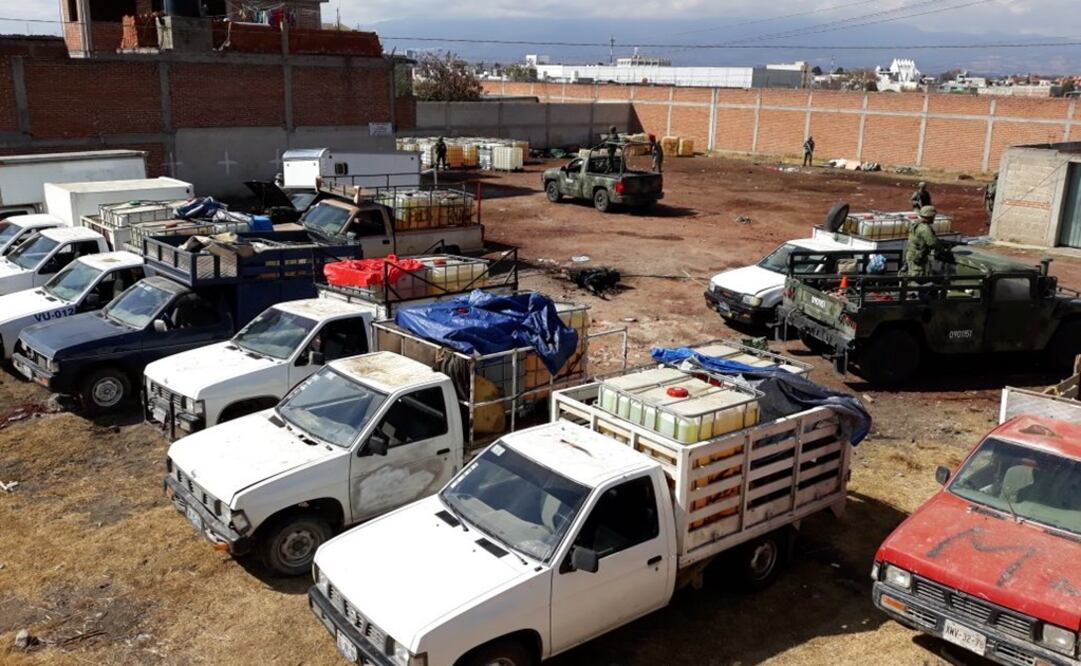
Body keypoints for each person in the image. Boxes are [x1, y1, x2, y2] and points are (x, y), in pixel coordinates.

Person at [903, 205, 945, 277]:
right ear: (929, 216)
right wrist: (942, 250)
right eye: (933, 216)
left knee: (909, 275)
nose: (934, 218)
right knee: (916, 278)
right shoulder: (925, 229)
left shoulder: (916, 223)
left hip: (911, 254)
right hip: (917, 257)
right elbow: (932, 243)